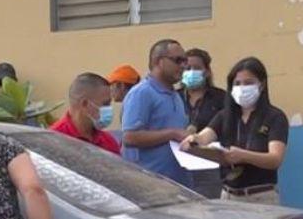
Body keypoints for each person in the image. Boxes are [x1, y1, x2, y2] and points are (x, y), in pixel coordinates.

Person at [180, 57, 289, 203]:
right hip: (228, 196)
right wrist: (192, 141)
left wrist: (243, 156)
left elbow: (275, 159)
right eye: (237, 83)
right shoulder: (225, 115)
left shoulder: (275, 116)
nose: (242, 88)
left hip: (261, 196)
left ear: (261, 85)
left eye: (248, 83)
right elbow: (204, 137)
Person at [121, 39, 191, 186]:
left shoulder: (175, 95)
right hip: (150, 186)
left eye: (185, 61)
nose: (184, 66)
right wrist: (173, 133)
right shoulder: (142, 93)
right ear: (159, 62)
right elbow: (130, 137)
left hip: (179, 184)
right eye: (178, 60)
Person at [49, 72, 121, 155]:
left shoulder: (108, 143)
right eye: (105, 104)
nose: (109, 109)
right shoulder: (53, 141)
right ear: (85, 104)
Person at [181, 48, 227, 133]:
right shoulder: (174, 97)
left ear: (207, 72)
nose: (192, 72)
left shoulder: (221, 97)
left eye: (197, 68)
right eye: (187, 68)